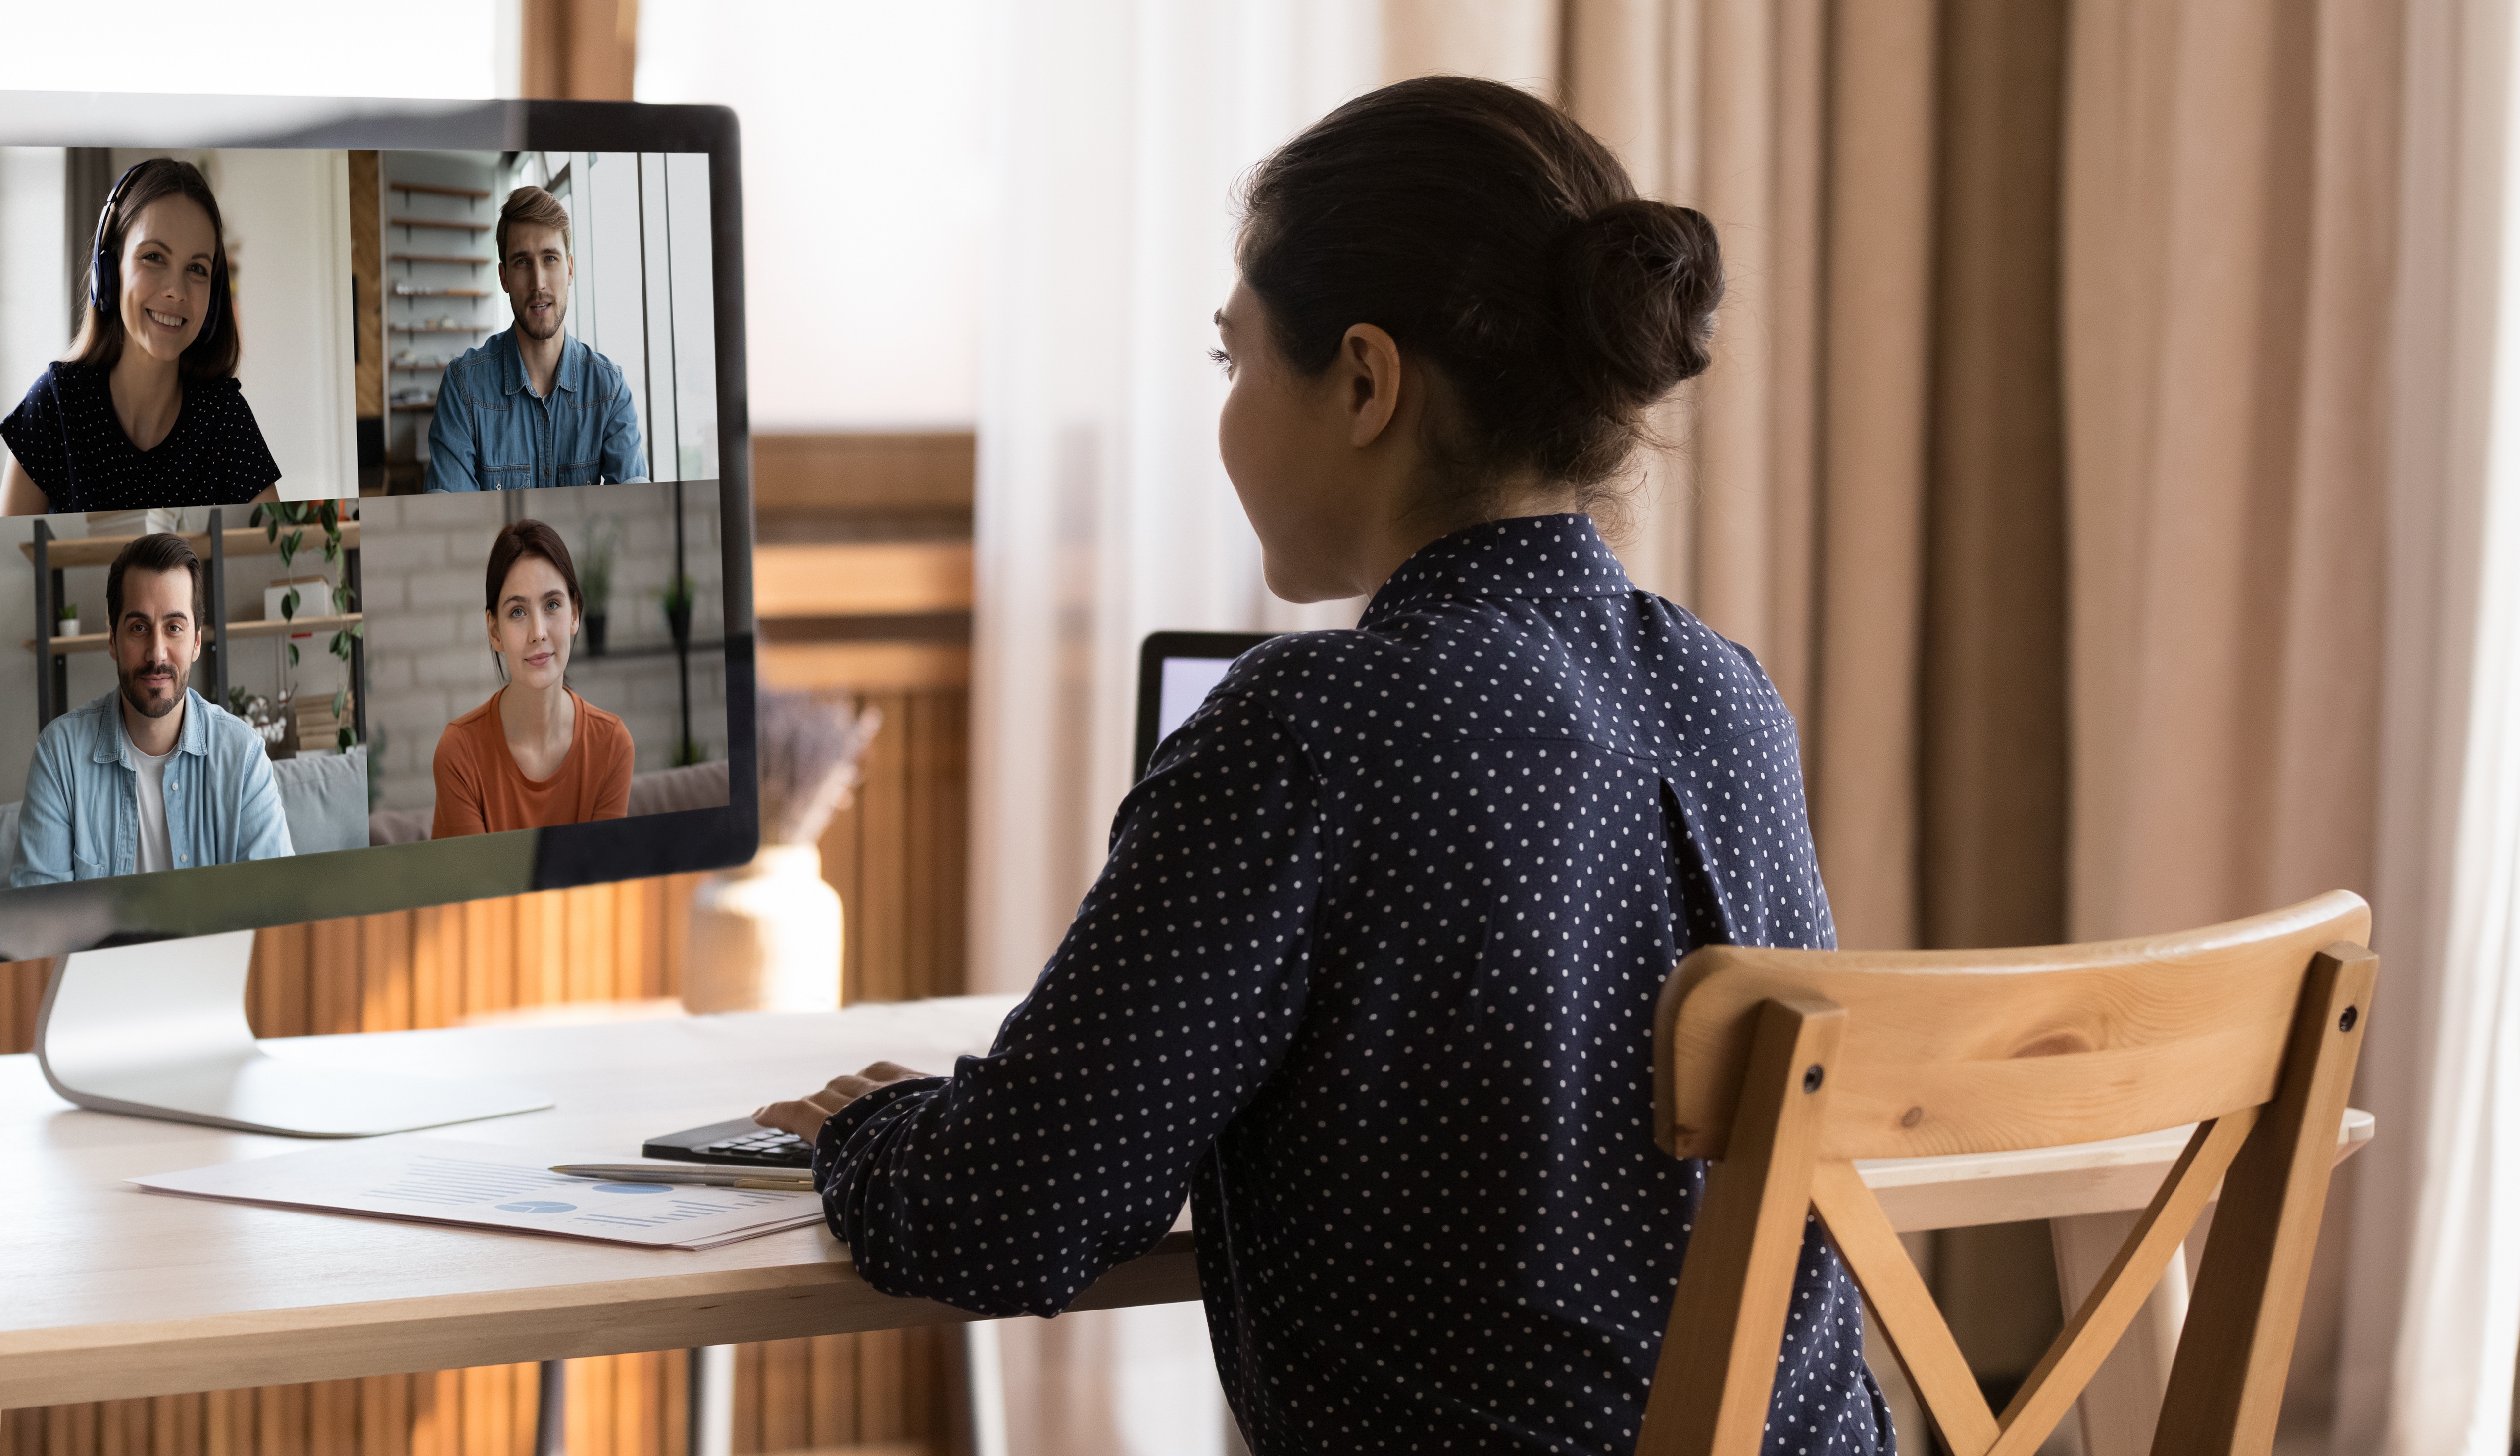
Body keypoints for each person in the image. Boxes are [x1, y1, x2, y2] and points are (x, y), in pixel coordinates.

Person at [753, 80, 1893, 1455]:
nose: (1224, 416)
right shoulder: (1727, 695)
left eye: (1232, 362)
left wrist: (868, 1128)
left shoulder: (1313, 725)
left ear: (1363, 381)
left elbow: (1009, 1218)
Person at [0, 158, 283, 514]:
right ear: (109, 271)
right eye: (153, 257)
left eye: (197, 269)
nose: (176, 291)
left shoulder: (225, 418)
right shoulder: (55, 405)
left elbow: (279, 554)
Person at [12, 531, 294, 884]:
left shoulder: (244, 757)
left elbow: (274, 905)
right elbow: (41, 919)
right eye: (139, 627)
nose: (157, 653)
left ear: (195, 642)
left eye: (174, 627)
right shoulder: (59, 756)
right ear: (113, 639)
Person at [424, 184, 646, 491]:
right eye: (522, 262)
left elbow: (639, 517)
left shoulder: (609, 391)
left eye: (550, 259)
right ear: (504, 278)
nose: (538, 283)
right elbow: (451, 530)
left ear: (570, 269)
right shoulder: (463, 389)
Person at [430, 519, 635, 836]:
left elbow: (600, 879)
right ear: (494, 631)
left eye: (552, 605)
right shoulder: (458, 752)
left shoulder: (612, 746)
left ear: (575, 615)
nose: (538, 633)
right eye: (517, 612)